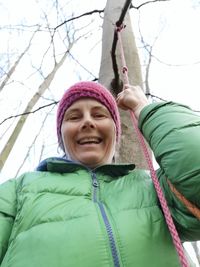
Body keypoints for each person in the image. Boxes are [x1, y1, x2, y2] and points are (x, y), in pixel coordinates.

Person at [0, 81, 199, 267]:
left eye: (99, 115)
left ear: (116, 133)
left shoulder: (154, 187)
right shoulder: (18, 190)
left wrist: (146, 109)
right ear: (61, 137)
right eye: (74, 117)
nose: (87, 122)